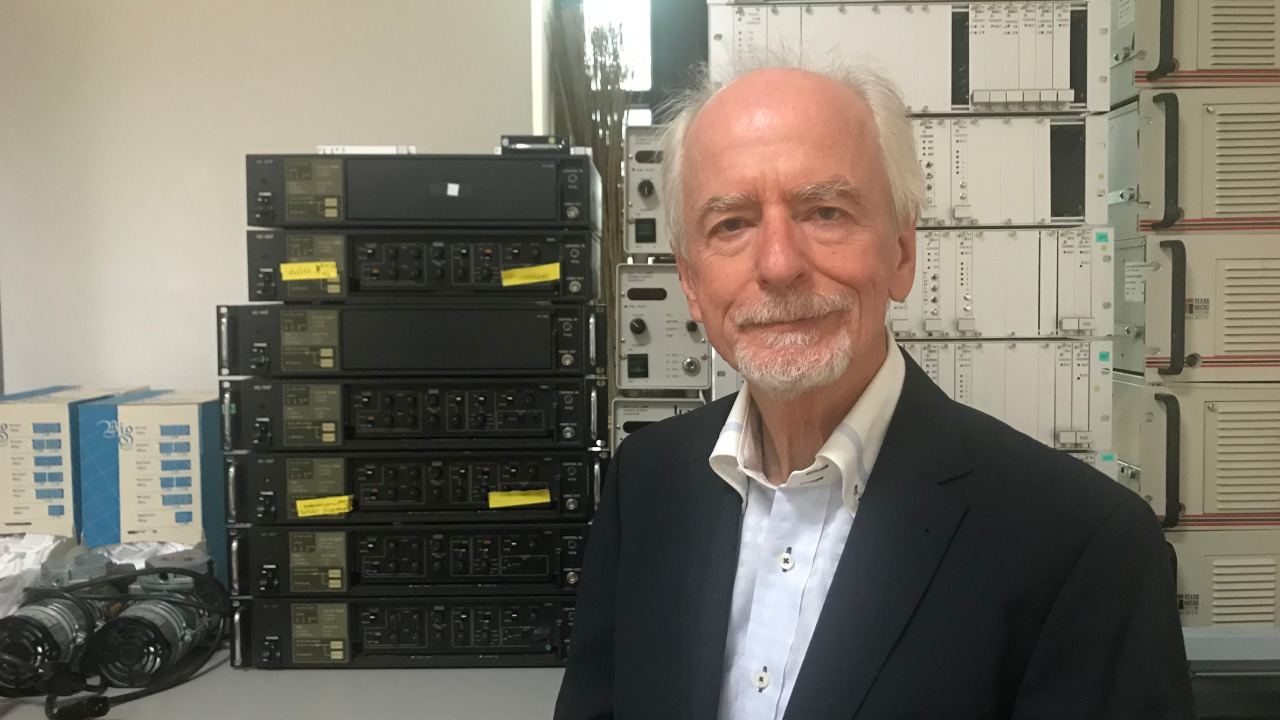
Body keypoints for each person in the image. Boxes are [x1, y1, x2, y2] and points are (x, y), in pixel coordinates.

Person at [554, 60, 1195, 720]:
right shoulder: (646, 484)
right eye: (732, 224)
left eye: (825, 212)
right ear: (691, 281)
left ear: (902, 252)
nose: (778, 264)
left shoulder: (1085, 548)